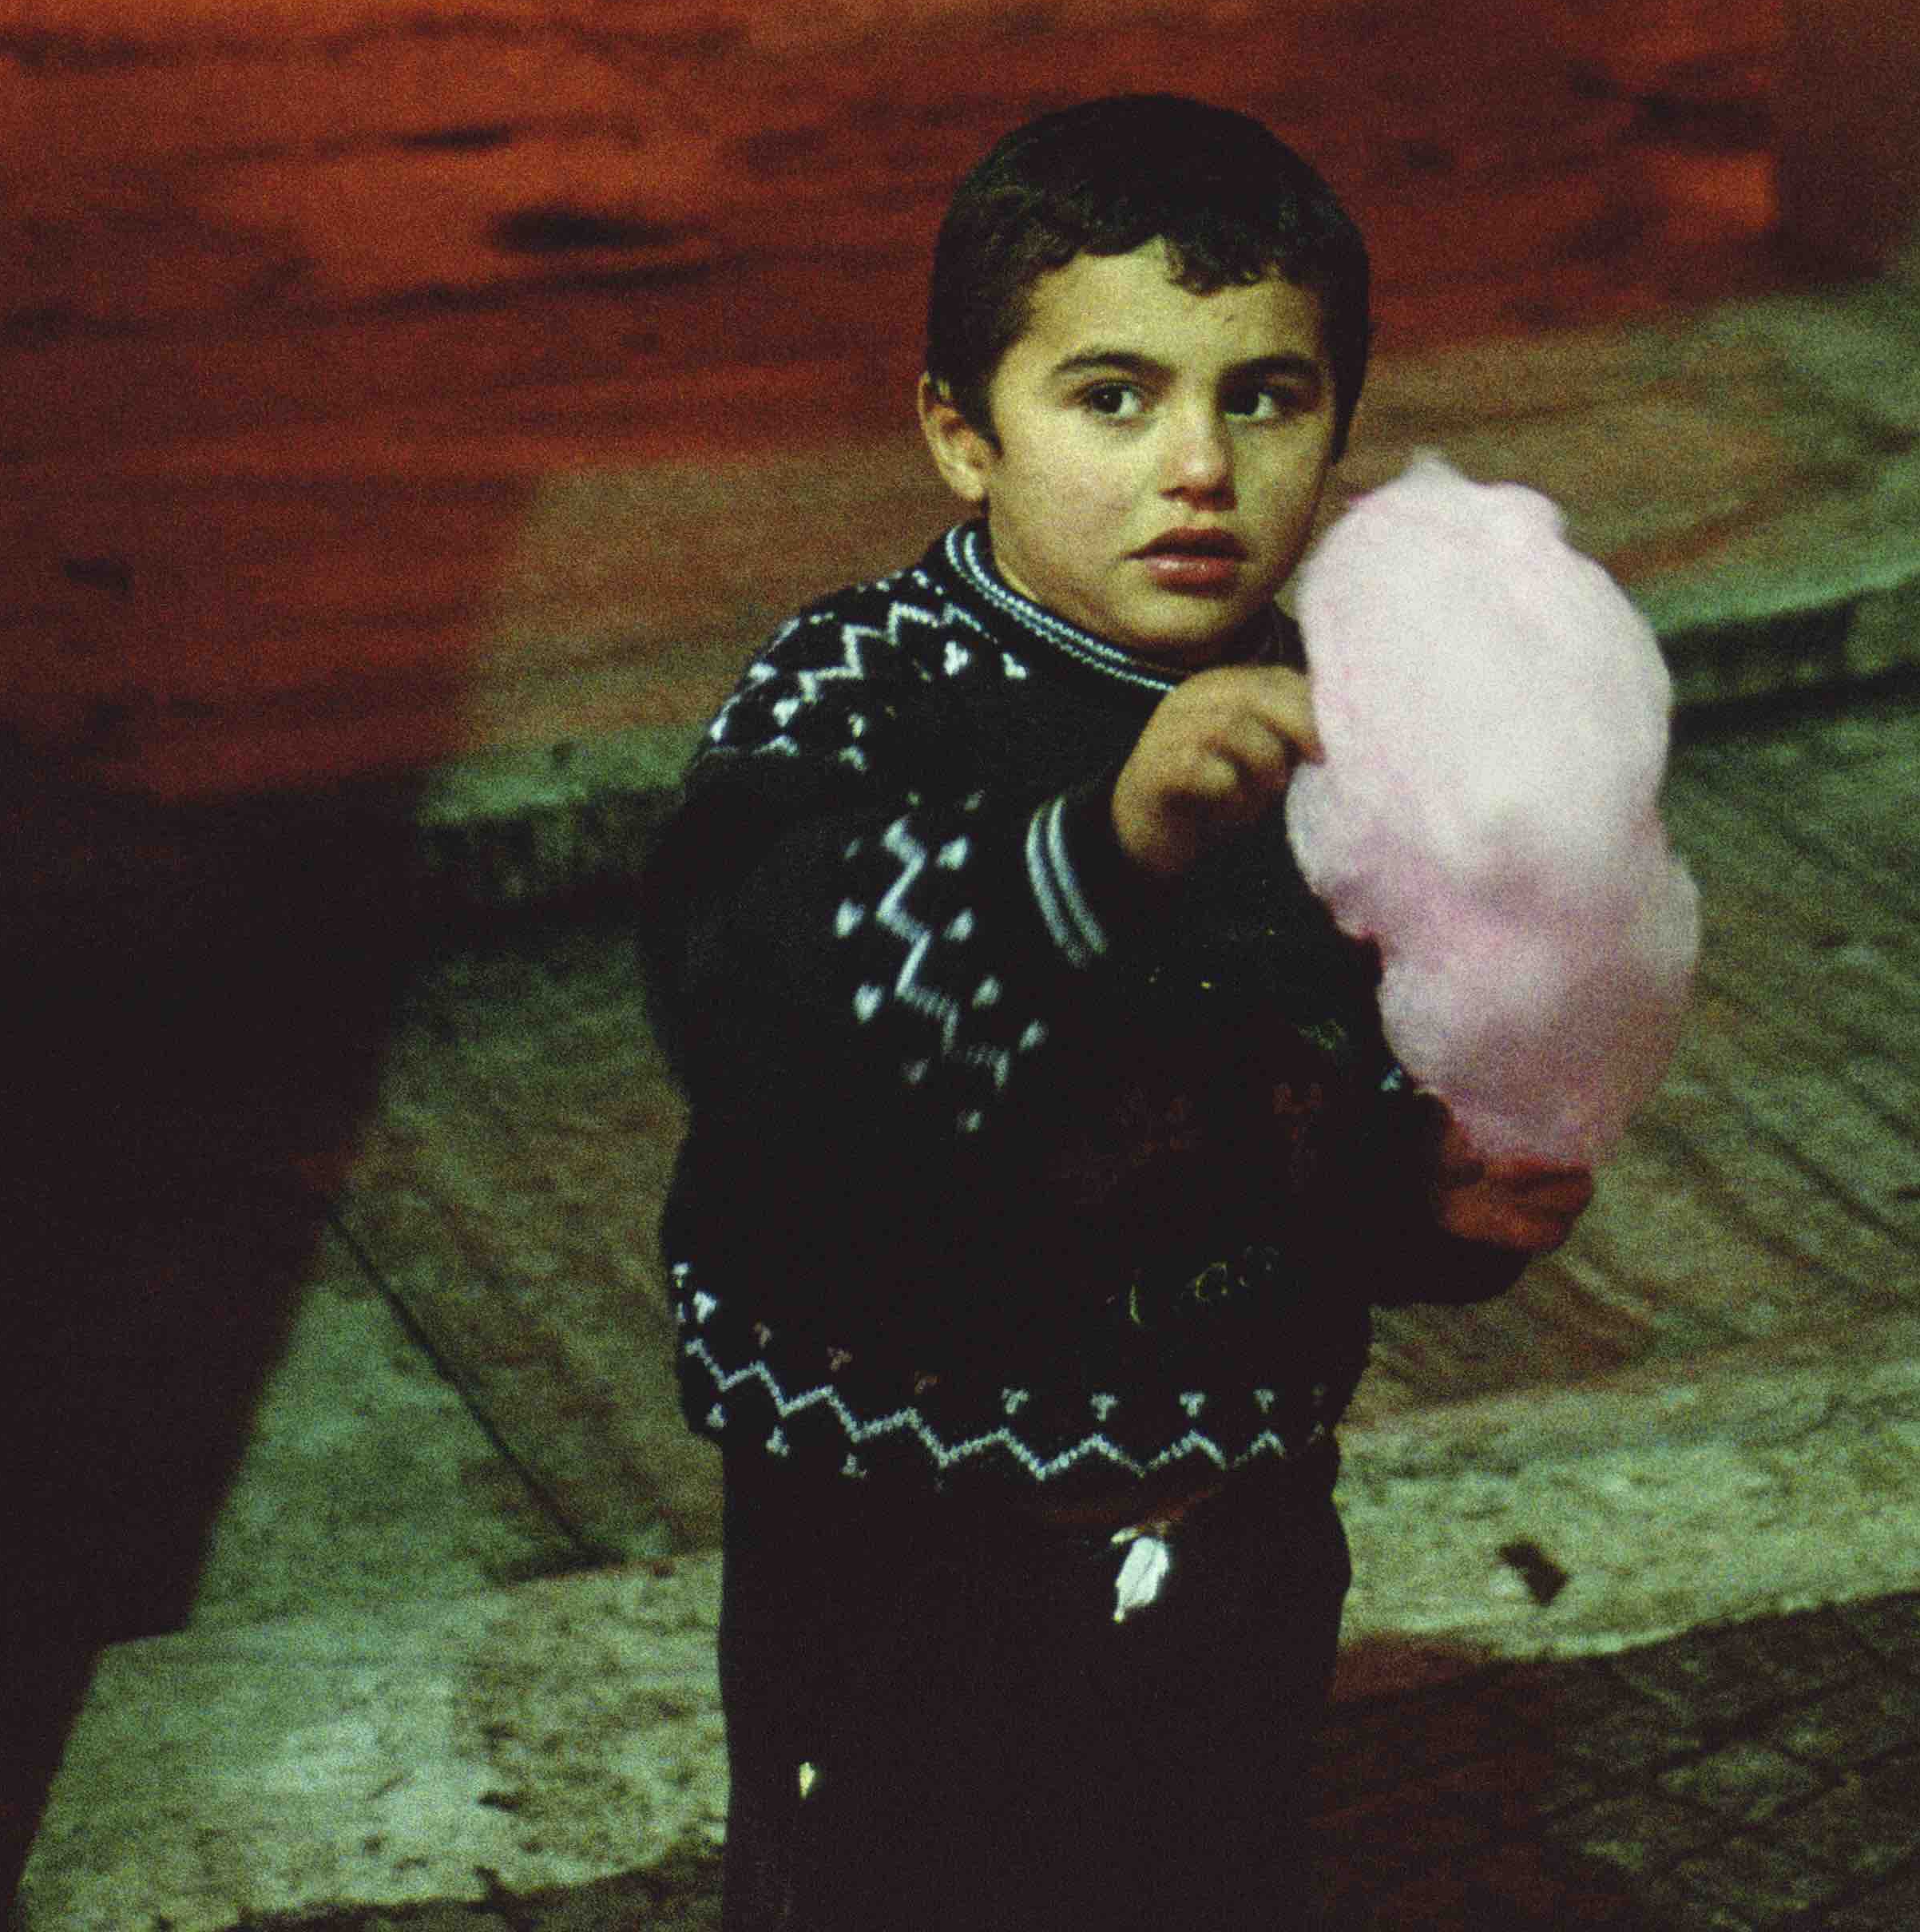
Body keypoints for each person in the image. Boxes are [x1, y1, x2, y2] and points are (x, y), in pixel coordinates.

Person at [644, 95, 1599, 1930]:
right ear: (958, 426)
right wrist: (1105, 837)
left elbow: (1319, 1094)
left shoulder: (1341, 718)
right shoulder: (865, 689)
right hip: (904, 1523)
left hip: (1233, 1501)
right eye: (1112, 395)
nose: (1196, 465)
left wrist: (1434, 1194)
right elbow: (759, 996)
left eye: (1263, 394)